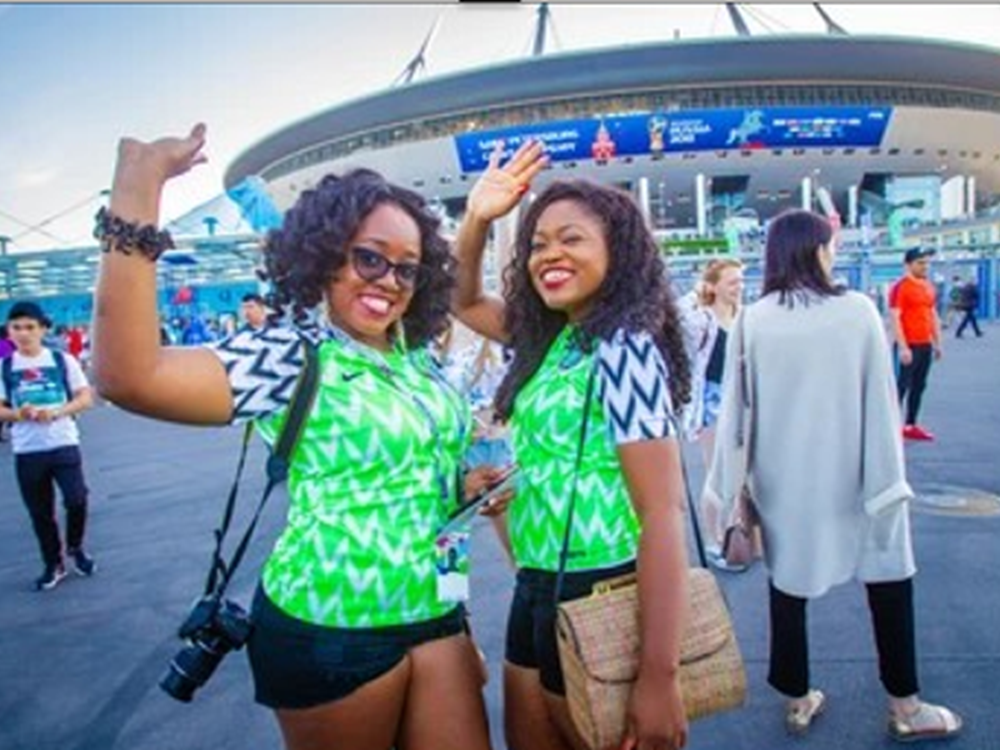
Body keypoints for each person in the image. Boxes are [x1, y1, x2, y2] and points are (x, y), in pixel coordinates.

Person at [91, 124, 502, 750]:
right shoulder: (290, 355)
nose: (389, 280)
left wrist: (462, 487)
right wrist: (139, 188)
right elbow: (128, 377)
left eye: (408, 270)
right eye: (370, 257)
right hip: (331, 626)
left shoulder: (413, 357)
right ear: (326, 253)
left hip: (438, 611)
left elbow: (420, 487)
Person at [452, 140, 693, 750]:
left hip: (602, 587)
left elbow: (662, 512)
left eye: (572, 238)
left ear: (619, 252)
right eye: (537, 243)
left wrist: (658, 677)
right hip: (536, 583)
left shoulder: (626, 347)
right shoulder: (555, 339)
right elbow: (462, 301)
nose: (549, 254)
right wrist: (478, 218)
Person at [706, 209, 962, 743]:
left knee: (788, 589)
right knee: (890, 581)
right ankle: (906, 705)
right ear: (816, 251)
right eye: (830, 246)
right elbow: (880, 400)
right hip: (860, 475)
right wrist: (889, 480)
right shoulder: (857, 311)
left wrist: (724, 492)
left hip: (783, 482)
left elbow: (735, 417)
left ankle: (797, 699)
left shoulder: (754, 319)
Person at [0, 301, 96, 591]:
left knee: (76, 498)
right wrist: (19, 414)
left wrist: (57, 412)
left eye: (30, 327)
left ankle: (75, 547)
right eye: (17, 328)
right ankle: (52, 562)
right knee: (40, 512)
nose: (23, 333)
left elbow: (85, 398)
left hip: (63, 442)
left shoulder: (62, 361)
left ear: (42, 329)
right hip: (27, 450)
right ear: (9, 332)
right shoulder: (5, 367)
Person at [678, 258, 745, 571]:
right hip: (710, 402)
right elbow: (674, 318)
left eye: (740, 281)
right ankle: (714, 539)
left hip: (740, 401)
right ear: (714, 285)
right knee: (716, 472)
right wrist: (697, 293)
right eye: (732, 282)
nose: (738, 287)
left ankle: (736, 534)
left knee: (741, 472)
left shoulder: (743, 317)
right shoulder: (702, 319)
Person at [888, 247, 942, 442]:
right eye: (920, 263)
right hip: (908, 344)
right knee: (901, 386)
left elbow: (932, 314)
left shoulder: (927, 286)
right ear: (908, 265)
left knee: (919, 385)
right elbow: (895, 317)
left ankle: (910, 424)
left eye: (926, 262)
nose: (924, 266)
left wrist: (937, 343)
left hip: (924, 343)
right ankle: (889, 427)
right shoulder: (900, 287)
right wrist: (903, 346)